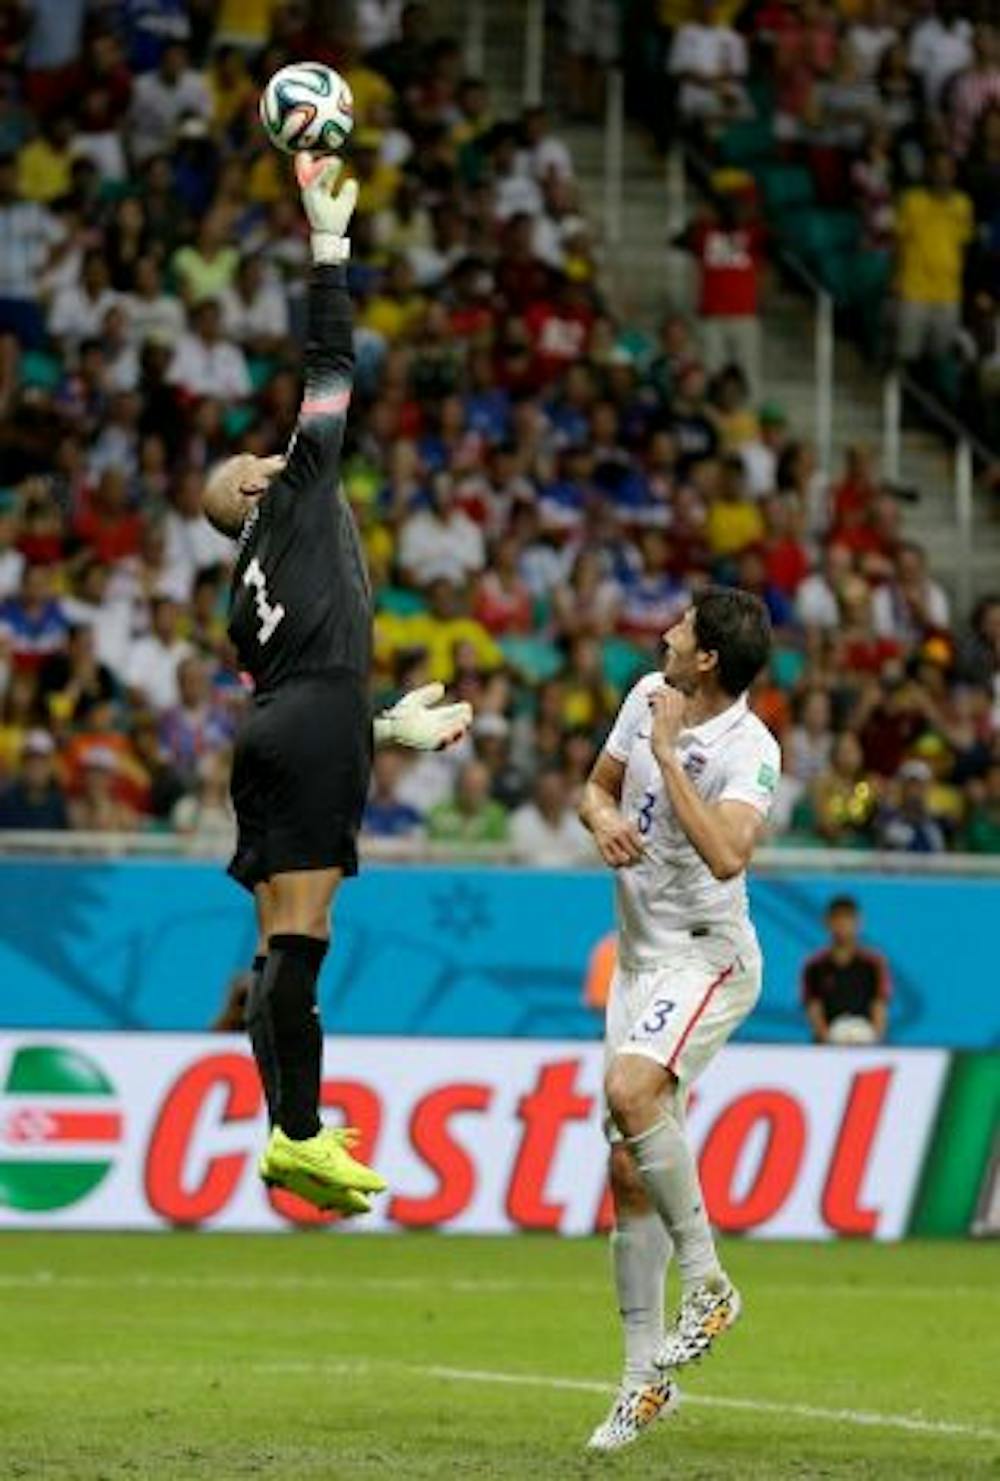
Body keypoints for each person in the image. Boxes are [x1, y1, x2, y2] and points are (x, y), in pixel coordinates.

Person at [200, 154, 471, 1218]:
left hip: (276, 724)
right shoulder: (299, 487)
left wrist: (382, 720)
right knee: (305, 934)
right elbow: (329, 366)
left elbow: (298, 672)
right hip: (309, 722)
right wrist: (327, 249)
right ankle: (298, 1132)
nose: (267, 451)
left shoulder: (242, 588)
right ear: (255, 487)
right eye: (248, 461)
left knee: (277, 934)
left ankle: (287, 1125)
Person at [578, 587, 780, 1453]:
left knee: (631, 1090)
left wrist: (667, 750)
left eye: (683, 629)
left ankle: (707, 1282)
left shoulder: (751, 748)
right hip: (639, 958)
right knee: (629, 1169)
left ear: (707, 660)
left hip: (706, 956)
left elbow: (732, 854)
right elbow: (595, 787)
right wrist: (604, 819)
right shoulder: (643, 695)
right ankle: (642, 1382)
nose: (665, 633)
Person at [801, 895, 891, 1045]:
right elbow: (814, 1010)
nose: (842, 924)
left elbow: (880, 1007)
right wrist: (830, 1041)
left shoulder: (874, 964)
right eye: (837, 919)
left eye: (848, 918)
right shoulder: (814, 966)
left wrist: (874, 1040)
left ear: (858, 922)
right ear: (827, 922)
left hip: (866, 1042)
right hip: (826, 1046)